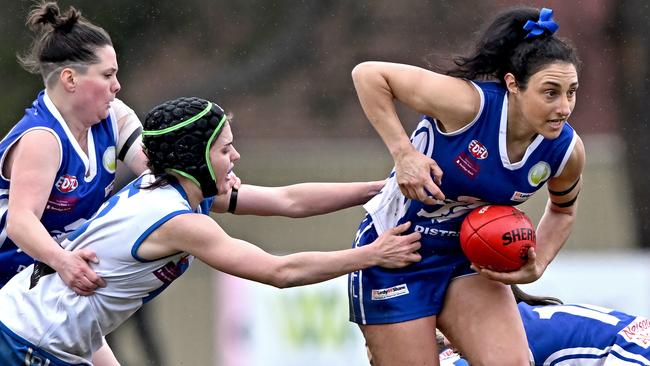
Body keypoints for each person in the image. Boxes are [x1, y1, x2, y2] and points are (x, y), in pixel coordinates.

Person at [0, 96, 422, 365]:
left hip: (47, 338)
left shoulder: (174, 189)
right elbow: (280, 272)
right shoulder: (179, 221)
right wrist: (373, 254)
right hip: (26, 343)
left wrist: (380, 187)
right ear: (195, 158)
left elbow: (288, 201)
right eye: (225, 149)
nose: (236, 156)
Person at [348, 6, 585, 365]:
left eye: (571, 92)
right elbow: (368, 75)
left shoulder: (566, 151)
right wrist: (404, 154)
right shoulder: (469, 105)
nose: (565, 106)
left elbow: (562, 210)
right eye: (550, 92)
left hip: (469, 261)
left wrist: (539, 263)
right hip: (395, 253)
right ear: (512, 86)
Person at [0, 2, 150, 364]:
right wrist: (64, 262)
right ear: (70, 79)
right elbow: (21, 222)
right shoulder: (42, 138)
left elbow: (161, 173)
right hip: (12, 300)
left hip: (42, 293)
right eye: (107, 75)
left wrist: (214, 173)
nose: (117, 85)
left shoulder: (114, 117)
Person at [439, 286, 650, 365]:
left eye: (456, 327)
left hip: (634, 351)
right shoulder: (518, 321)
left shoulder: (509, 337)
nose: (448, 342)